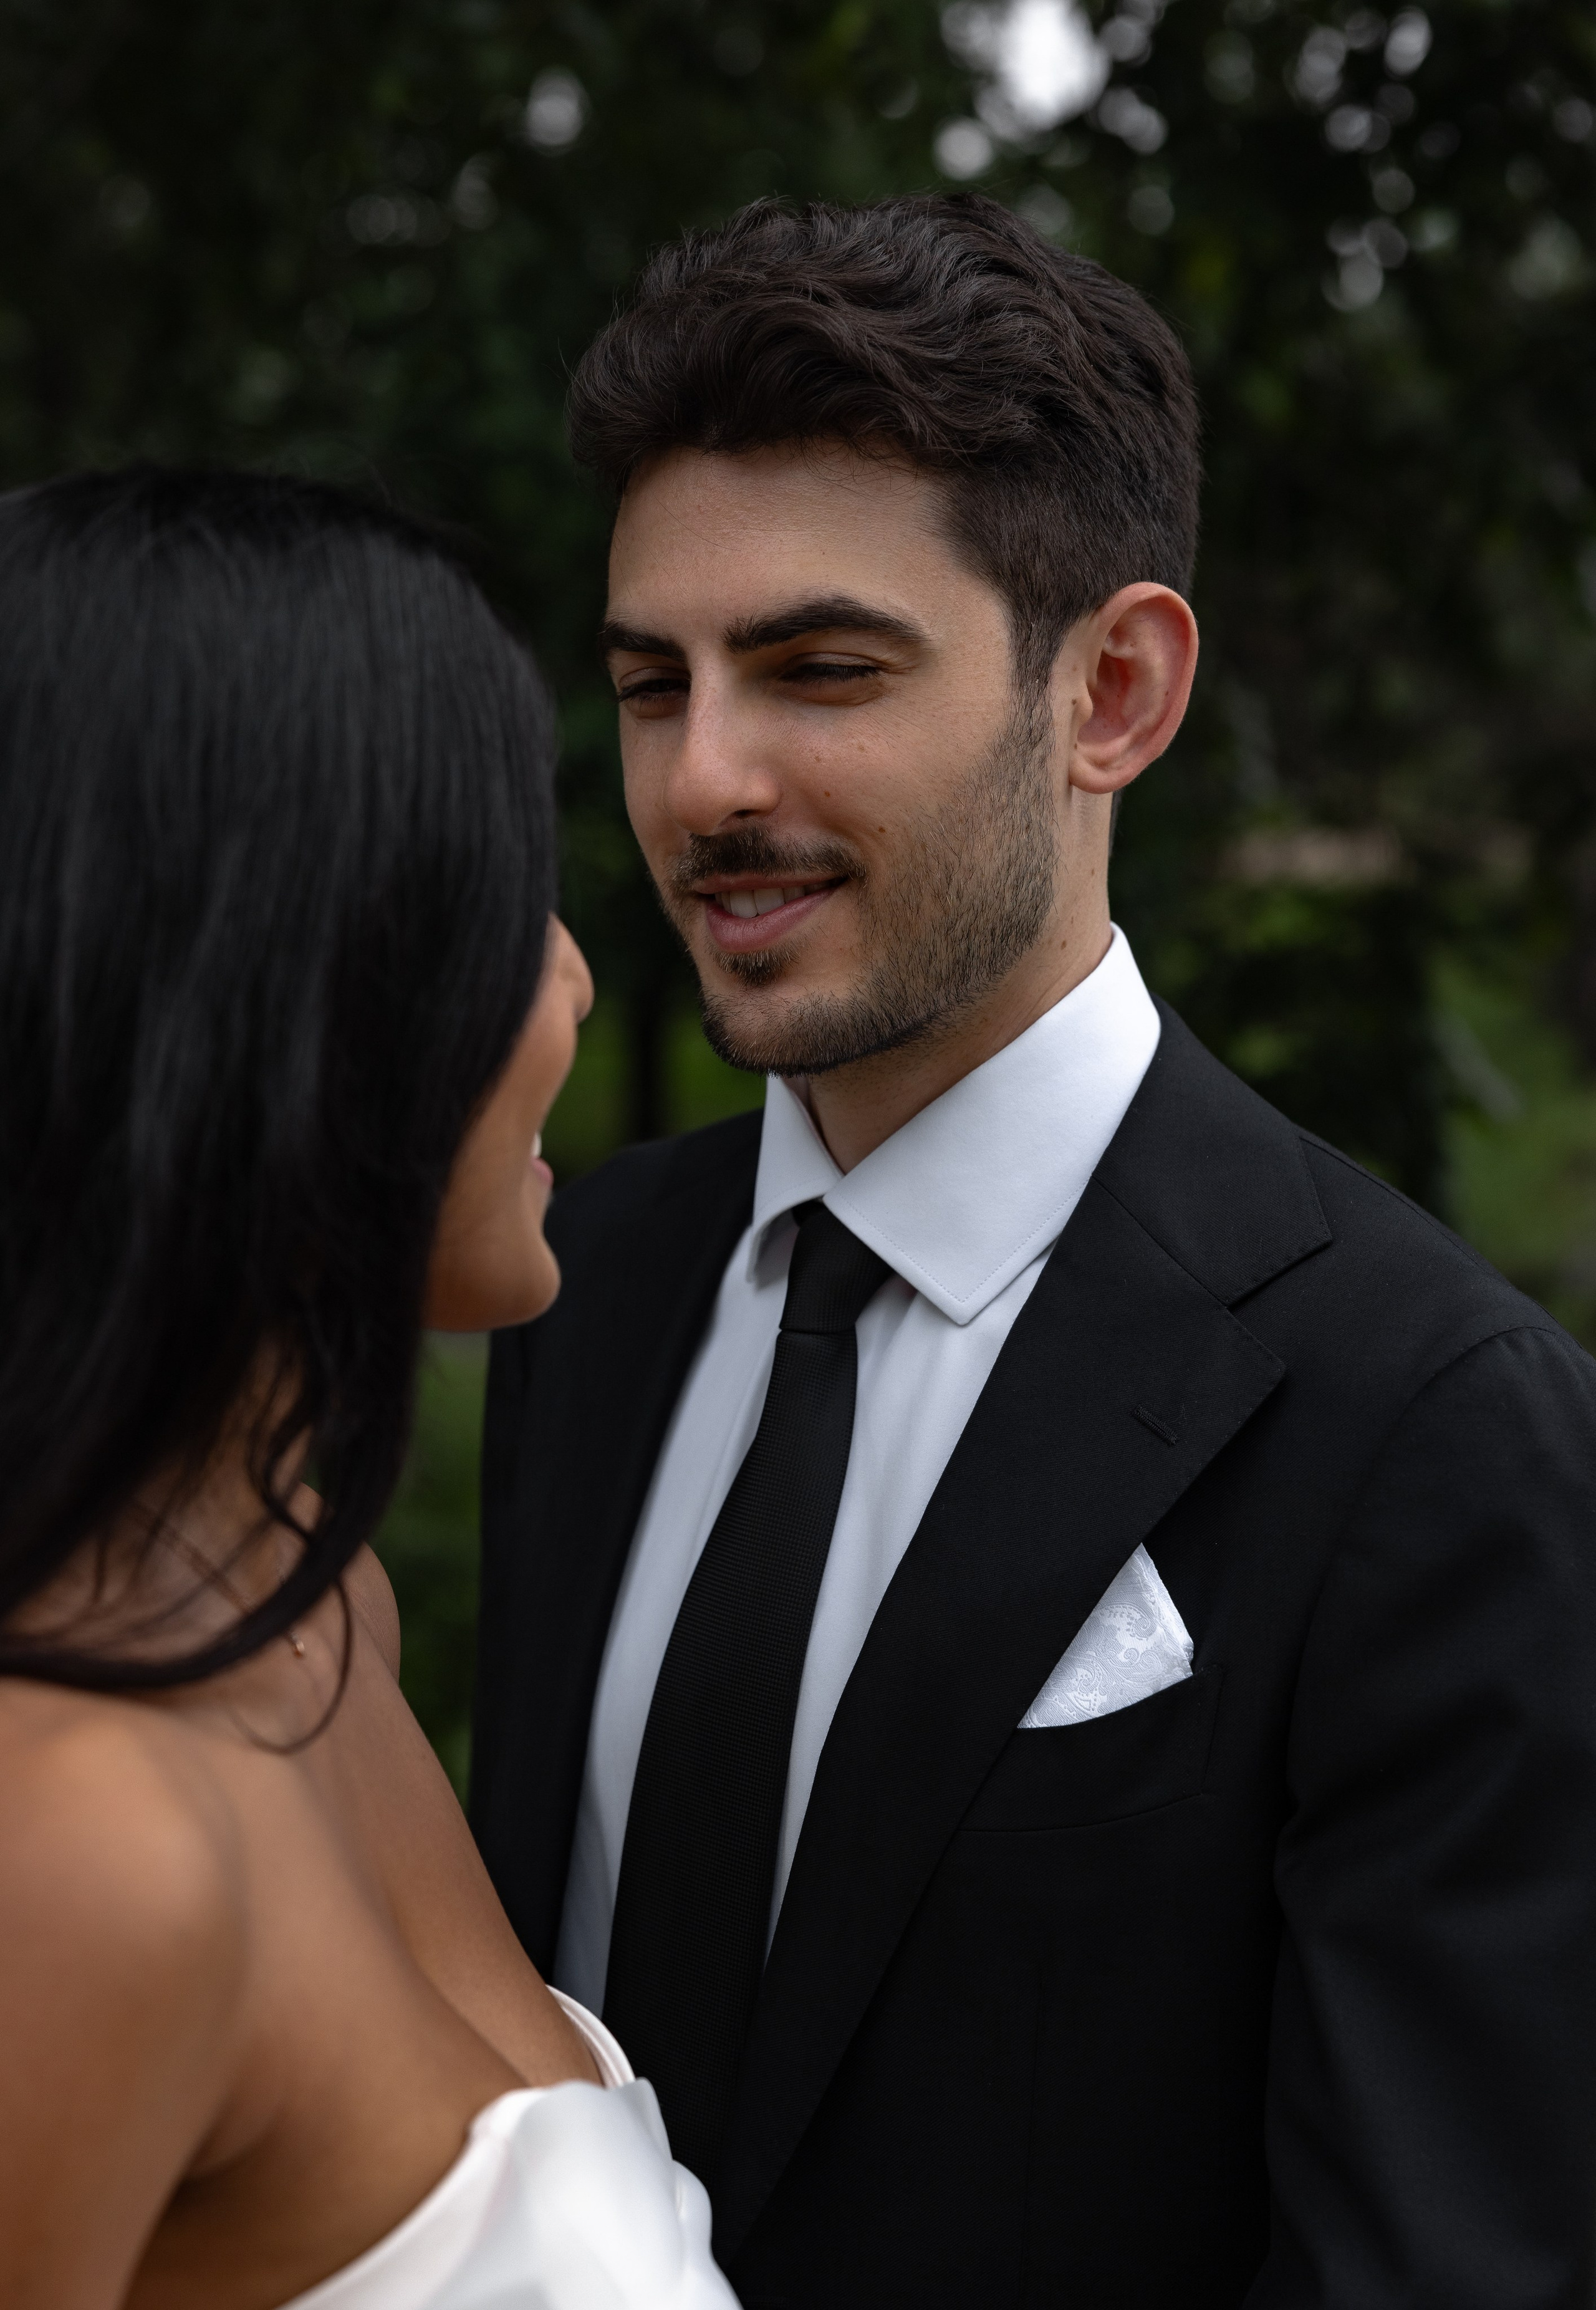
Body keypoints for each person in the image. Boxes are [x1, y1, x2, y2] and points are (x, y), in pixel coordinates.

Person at [471, 193, 1596, 2309]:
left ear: (1116, 691)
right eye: (651, 684)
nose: (704, 781)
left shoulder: (1433, 1427)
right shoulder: (584, 1286)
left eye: (820, 667)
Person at [0, 469, 739, 2310]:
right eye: (499, 900)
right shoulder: (88, 1846)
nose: (572, 972)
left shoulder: (309, 1599)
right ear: (288, 992)